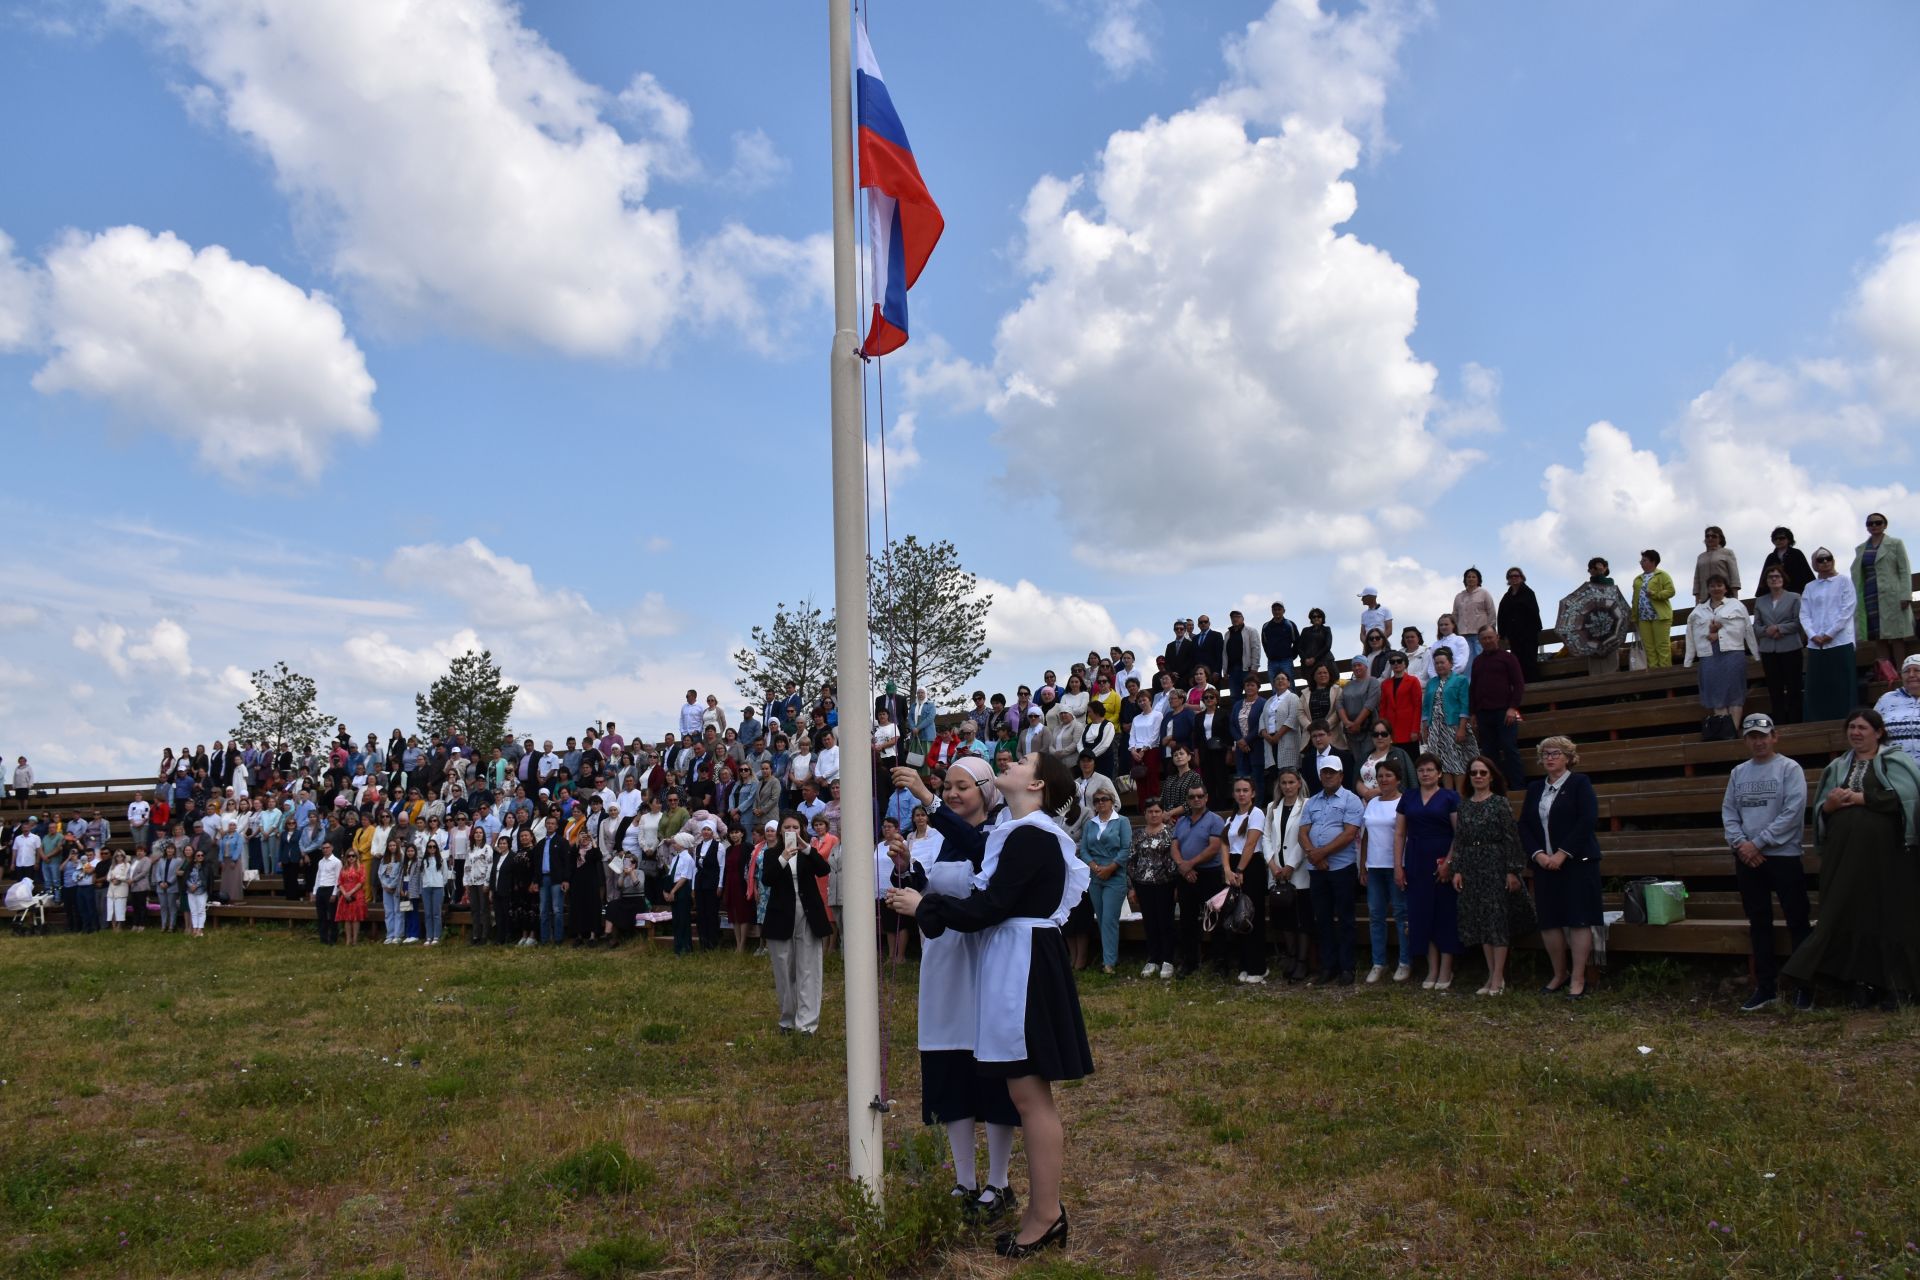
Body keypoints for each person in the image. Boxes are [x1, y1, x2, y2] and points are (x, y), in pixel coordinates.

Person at [886, 751, 1093, 1260]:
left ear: (1038, 783)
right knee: (1027, 1094)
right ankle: (1044, 1210)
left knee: (1029, 1096)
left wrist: (924, 906)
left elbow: (989, 907)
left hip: (1022, 965)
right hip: (1017, 961)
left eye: (1023, 759)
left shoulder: (1030, 835)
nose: (1013, 759)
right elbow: (987, 888)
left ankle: (1046, 1214)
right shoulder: (1021, 832)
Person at [888, 757, 1023, 1223]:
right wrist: (909, 870)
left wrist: (926, 799)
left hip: (982, 968)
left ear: (986, 791)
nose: (951, 794)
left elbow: (981, 861)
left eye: (962, 787)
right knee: (950, 1070)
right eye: (947, 787)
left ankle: (999, 1182)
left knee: (993, 1073)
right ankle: (965, 1179)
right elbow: (940, 890)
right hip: (944, 971)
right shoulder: (944, 842)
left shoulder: (999, 835)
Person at [1783, 708, 1920, 1010]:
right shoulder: (1837, 767)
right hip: (1845, 858)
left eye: (1863, 728)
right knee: (1852, 912)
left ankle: (1899, 987)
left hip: (1889, 858)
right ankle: (1860, 983)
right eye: (1852, 728)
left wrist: (1863, 799)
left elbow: (1907, 797)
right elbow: (1821, 808)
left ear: (1879, 732)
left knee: (1890, 914)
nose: (1856, 733)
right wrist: (1829, 806)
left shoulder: (1897, 761)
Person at [1720, 714, 1812, 1011]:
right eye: (1752, 736)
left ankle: (1804, 987)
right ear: (1746, 740)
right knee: (1759, 922)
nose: (1758, 741)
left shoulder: (1789, 768)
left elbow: (1793, 811)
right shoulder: (1738, 773)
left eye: (1763, 735)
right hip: (1748, 858)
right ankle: (1766, 987)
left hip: (1783, 855)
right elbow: (1729, 813)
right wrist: (1741, 844)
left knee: (1797, 920)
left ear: (1775, 736)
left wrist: (1757, 843)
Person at [1519, 737, 1602, 998]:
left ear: (1568, 757)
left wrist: (1562, 854)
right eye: (1545, 754)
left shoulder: (1579, 783)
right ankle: (1559, 974)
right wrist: (1539, 855)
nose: (1550, 758)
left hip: (1577, 863)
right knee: (1549, 921)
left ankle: (1578, 978)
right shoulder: (1534, 788)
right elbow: (1524, 825)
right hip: (1544, 864)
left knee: (1579, 919)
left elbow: (1586, 820)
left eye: (1555, 753)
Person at [1450, 755, 1528, 996]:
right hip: (1472, 866)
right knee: (1482, 921)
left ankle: (1498, 978)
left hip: (1495, 864)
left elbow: (1511, 838)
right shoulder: (1463, 805)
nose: (1478, 777)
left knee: (1497, 919)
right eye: (1474, 773)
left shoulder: (1500, 803)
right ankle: (1491, 975)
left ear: (1491, 776)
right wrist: (1457, 869)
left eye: (1483, 772)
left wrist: (1512, 870)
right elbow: (1460, 840)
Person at [1397, 755, 1462, 990]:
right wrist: (1398, 866)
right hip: (1415, 861)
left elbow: (1459, 833)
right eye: (1421, 770)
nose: (1425, 774)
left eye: (1430, 770)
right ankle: (1432, 968)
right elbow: (1400, 834)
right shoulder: (1409, 797)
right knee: (1421, 915)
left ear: (1439, 773)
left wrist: (1449, 863)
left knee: (1444, 915)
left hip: (1441, 861)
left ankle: (1446, 968)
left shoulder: (1450, 797)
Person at [1301, 754, 1363, 985]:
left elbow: (1349, 833)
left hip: (1341, 868)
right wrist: (1314, 855)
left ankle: (1347, 967)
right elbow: (1303, 832)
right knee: (1323, 918)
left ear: (1341, 775)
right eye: (1324, 772)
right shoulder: (1313, 801)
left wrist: (1322, 853)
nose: (1327, 776)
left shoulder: (1351, 799)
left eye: (1332, 772)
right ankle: (1329, 966)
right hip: (1317, 869)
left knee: (1345, 919)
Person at [1685, 573, 1761, 740]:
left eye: (1719, 585)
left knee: (1734, 694)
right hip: (1709, 655)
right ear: (1708, 589)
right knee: (1716, 695)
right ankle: (1724, 731)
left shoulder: (1736, 606)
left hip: (1733, 653)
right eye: (1712, 585)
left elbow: (1746, 629)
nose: (1716, 588)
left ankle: (1732, 731)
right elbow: (1691, 635)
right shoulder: (1698, 610)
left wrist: (1755, 653)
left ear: (1726, 587)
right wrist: (1689, 658)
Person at [1359, 757, 1411, 983]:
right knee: (1375, 915)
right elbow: (1366, 835)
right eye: (1380, 776)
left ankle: (1405, 961)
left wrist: (1401, 866)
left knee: (1401, 915)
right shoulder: (1372, 803)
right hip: (1374, 867)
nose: (1384, 779)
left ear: (1398, 779)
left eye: (1389, 775)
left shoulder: (1405, 802)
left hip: (1396, 866)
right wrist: (1362, 865)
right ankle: (1378, 962)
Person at [1170, 780, 1228, 979]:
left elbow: (1213, 848)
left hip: (1209, 875)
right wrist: (1183, 867)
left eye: (1199, 796)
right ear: (1187, 800)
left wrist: (1190, 864)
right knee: (1187, 920)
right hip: (1186, 876)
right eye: (1192, 797)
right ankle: (1190, 962)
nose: (1196, 799)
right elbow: (1174, 846)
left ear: (1206, 798)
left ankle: (1220, 962)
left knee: (1214, 919)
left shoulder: (1215, 820)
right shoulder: (1182, 822)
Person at [1261, 769, 1312, 982]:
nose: (1288, 786)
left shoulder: (1307, 804)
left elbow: (1305, 836)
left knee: (1301, 919)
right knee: (1285, 918)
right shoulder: (1272, 807)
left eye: (1291, 782)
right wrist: (1272, 864)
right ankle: (1290, 956)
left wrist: (1290, 865)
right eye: (1284, 783)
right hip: (1277, 872)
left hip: (1298, 872)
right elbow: (1266, 837)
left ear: (1299, 784)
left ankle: (1302, 961)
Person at [1853, 512, 1914, 683]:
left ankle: (1903, 674)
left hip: (1892, 595)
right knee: (1878, 637)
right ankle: (1886, 675)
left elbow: (1904, 569)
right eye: (1870, 523)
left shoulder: (1895, 543)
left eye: (1878, 523)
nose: (1874, 526)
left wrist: (1905, 594)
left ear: (1885, 525)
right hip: (1870, 595)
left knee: (1896, 636)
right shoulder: (1861, 549)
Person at [1076, 788, 1130, 974]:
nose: (1100, 803)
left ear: (1112, 801)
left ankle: (1109, 962)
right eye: (1097, 800)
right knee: (1100, 918)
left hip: (1114, 875)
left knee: (1109, 919)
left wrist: (1110, 868)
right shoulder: (1091, 824)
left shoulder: (1122, 821)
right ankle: (1108, 956)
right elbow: (1084, 850)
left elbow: (1125, 849)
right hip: (1095, 875)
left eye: (1104, 799)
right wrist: (1094, 867)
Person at [1222, 776, 1269, 984]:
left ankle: (1258, 967)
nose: (1241, 794)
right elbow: (1224, 844)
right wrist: (1227, 870)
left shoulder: (1257, 814)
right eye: (1238, 790)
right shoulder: (1231, 818)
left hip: (1250, 867)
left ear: (1253, 793)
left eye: (1245, 790)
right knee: (1236, 916)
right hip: (1232, 867)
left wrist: (1240, 870)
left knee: (1251, 915)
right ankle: (1244, 964)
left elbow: (1250, 844)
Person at [1470, 626, 1527, 789]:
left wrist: (1512, 708)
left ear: (1497, 637)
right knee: (1489, 752)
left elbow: (1518, 684)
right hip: (1483, 713)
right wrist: (1473, 712)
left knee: (1509, 748)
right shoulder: (1477, 661)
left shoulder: (1508, 658)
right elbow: (1473, 687)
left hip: (1504, 712)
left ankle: (1518, 786)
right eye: (1484, 639)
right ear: (1480, 641)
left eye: (1490, 637)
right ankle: (1495, 787)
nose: (1487, 641)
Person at [1127, 797, 1177, 980]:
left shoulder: (1170, 833)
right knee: (1150, 922)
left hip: (1165, 884)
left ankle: (1168, 959)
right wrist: (1131, 887)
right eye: (1150, 811)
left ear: (1162, 813)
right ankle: (1153, 958)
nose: (1154, 814)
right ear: (1145, 814)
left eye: (1157, 811)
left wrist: (1176, 885)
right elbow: (1131, 860)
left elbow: (1175, 860)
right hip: (1142, 885)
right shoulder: (1137, 834)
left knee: (1166, 922)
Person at [1755, 564, 1806, 725]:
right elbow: (1756, 626)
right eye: (1771, 577)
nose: (1774, 579)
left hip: (1790, 647)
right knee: (1774, 689)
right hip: (1769, 649)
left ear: (1783, 579)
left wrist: (1780, 628)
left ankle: (1795, 720)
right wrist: (1767, 630)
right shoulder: (1760, 601)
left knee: (1794, 687)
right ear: (1766, 581)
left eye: (1777, 576)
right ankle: (1779, 721)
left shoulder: (1794, 597)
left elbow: (1799, 622)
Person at [1422, 646, 1476, 790]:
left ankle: (1459, 794)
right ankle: (1448, 794)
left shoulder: (1460, 680)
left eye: (1442, 662)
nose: (1439, 665)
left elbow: (1465, 705)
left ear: (1450, 663)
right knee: (1442, 762)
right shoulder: (1431, 683)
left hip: (1454, 725)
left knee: (1457, 761)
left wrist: (1462, 728)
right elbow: (1426, 707)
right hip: (1436, 729)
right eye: (1437, 663)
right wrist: (1425, 727)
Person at [1630, 550, 1678, 669]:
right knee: (1649, 649)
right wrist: (1634, 615)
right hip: (1643, 618)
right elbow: (1634, 599)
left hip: (1660, 616)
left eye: (1644, 560)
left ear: (1653, 561)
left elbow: (1671, 591)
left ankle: (1666, 677)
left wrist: (1656, 594)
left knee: (1662, 647)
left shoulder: (1662, 575)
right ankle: (1654, 676)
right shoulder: (1638, 579)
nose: (1641, 562)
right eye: (1641, 560)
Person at [1498, 567, 1544, 683]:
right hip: (1514, 636)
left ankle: (1534, 688)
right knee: (1517, 662)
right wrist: (1503, 634)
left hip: (1528, 635)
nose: (1514, 578)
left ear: (1522, 577)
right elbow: (1501, 615)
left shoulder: (1528, 593)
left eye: (1516, 576)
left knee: (1530, 662)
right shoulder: (1506, 597)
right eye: (1511, 576)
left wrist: (1534, 630)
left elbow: (1534, 613)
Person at [1378, 652, 1422, 755]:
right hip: (1391, 729)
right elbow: (1383, 707)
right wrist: (1383, 728)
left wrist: (1415, 729)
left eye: (1399, 661)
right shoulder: (1385, 684)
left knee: (1411, 761)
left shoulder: (1413, 681)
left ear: (1405, 663)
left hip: (1408, 728)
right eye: (1392, 662)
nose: (1396, 664)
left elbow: (1417, 706)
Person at [1453, 569, 1496, 664]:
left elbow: (1491, 612)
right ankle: (1468, 679)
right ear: (1465, 579)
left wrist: (1489, 630)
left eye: (1473, 577)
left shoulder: (1484, 593)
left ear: (1478, 579)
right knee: (1466, 661)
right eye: (1468, 577)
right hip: (1463, 634)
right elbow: (1455, 615)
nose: (1471, 579)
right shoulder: (1459, 596)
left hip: (1479, 634)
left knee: (1481, 658)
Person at [1337, 656, 1381, 751]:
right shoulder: (1348, 685)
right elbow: (1339, 704)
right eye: (1354, 666)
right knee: (1356, 760)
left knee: (1367, 758)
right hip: (1350, 731)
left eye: (1359, 665)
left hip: (1368, 728)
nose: (1356, 668)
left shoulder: (1373, 682)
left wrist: (1357, 723)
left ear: (1366, 666)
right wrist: (1347, 723)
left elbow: (1370, 704)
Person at [1692, 525, 1741, 604]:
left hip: (1725, 596)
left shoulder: (1727, 553)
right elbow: (1696, 580)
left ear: (1720, 538)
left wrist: (1735, 598)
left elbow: (1734, 576)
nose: (1710, 538)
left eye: (1714, 536)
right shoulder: (1700, 557)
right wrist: (1697, 599)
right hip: (1705, 598)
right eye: (1707, 536)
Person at [665, 835, 697, 955]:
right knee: (676, 919)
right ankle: (678, 947)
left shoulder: (688, 859)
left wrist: (673, 891)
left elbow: (684, 877)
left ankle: (686, 947)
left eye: (676, 842)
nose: (674, 844)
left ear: (683, 844)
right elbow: (670, 875)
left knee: (683, 919)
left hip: (682, 890)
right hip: (674, 887)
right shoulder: (675, 858)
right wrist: (666, 890)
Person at [1761, 526, 1815, 595]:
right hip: (1776, 595)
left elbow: (1806, 575)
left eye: (1781, 538)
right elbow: (1764, 578)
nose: (1778, 541)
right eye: (1775, 539)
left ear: (1789, 539)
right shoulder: (1771, 557)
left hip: (1797, 593)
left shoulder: (1797, 554)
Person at [335, 850, 368, 946]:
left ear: (356, 857)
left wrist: (351, 892)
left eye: (353, 856)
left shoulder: (361, 867)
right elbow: (340, 882)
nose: (351, 858)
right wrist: (345, 893)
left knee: (355, 918)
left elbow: (361, 881)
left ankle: (355, 940)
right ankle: (348, 940)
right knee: (347, 918)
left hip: (357, 894)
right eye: (349, 856)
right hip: (345, 894)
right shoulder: (344, 868)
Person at [313, 840, 342, 945]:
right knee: (321, 916)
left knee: (332, 916)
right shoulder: (321, 862)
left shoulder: (337, 862)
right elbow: (318, 877)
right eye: (323, 848)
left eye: (327, 847)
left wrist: (334, 893)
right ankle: (323, 938)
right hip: (321, 888)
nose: (325, 850)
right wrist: (315, 891)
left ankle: (333, 938)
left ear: (332, 848)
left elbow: (338, 878)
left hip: (330, 889)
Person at [1296, 608, 1335, 687]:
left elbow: (1327, 646)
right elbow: (1299, 647)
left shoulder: (1326, 629)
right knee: (1311, 686)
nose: (1316, 618)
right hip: (1308, 665)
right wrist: (1305, 659)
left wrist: (1314, 658)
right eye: (1314, 617)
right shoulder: (1305, 630)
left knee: (1327, 685)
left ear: (1322, 618)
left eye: (1319, 616)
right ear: (1311, 619)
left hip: (1324, 662)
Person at [184, 848, 210, 938]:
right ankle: (194, 928)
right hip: (190, 891)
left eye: (202, 855)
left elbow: (206, 879)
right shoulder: (190, 866)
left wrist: (196, 885)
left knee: (201, 910)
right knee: (193, 911)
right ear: (195, 857)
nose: (200, 857)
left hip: (201, 891)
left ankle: (200, 929)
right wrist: (190, 885)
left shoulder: (207, 866)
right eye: (198, 855)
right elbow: (186, 877)